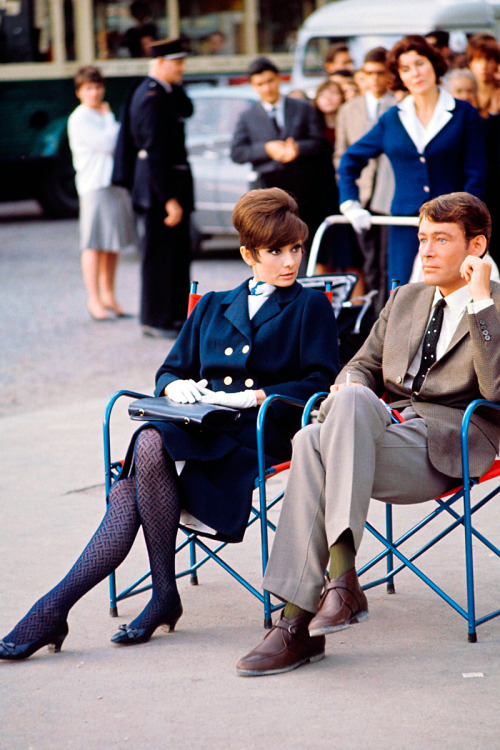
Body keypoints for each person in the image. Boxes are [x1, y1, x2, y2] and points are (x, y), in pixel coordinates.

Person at [0, 188, 340, 661]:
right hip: (200, 423)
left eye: (295, 249)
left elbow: (322, 381)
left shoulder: (310, 305)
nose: (289, 261)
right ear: (247, 254)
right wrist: (175, 388)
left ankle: (67, 607)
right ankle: (145, 596)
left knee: (131, 484)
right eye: (274, 251)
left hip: (257, 433)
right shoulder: (213, 304)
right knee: (150, 439)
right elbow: (169, 370)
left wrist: (256, 394)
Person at [237, 191, 500, 676]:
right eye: (423, 238)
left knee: (311, 442)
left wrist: (482, 300)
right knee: (338, 413)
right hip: (379, 432)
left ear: (476, 246)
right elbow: (359, 366)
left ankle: (299, 618)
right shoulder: (404, 299)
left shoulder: (495, 308)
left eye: (442, 239)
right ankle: (335, 588)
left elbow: (497, 388)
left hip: (446, 445)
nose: (426, 251)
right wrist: (358, 393)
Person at [338, 35, 487, 291]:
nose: (415, 73)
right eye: (405, 69)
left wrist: (466, 221)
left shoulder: (464, 114)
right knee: (401, 293)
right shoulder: (393, 118)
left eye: (420, 64)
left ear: (434, 65)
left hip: (454, 227)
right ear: (399, 76)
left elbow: (477, 174)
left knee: (456, 291)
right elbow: (350, 159)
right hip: (405, 228)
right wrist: (351, 204)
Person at [112, 38, 194, 338]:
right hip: (162, 189)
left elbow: (188, 108)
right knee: (160, 256)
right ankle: (157, 317)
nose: (182, 68)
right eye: (177, 62)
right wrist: (169, 199)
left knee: (176, 255)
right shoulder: (150, 96)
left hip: (169, 185)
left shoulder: (163, 91)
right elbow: (154, 150)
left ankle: (174, 315)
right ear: (159, 63)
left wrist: (175, 83)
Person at [230, 57, 325, 263]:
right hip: (268, 190)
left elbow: (319, 143)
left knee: (303, 247)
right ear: (253, 86)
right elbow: (237, 152)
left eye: (270, 81)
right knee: (272, 246)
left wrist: (298, 149)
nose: (267, 88)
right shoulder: (248, 116)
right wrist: (266, 149)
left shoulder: (301, 107)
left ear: (279, 79)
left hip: (303, 191)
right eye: (260, 84)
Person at [67, 66, 136, 321]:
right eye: (88, 88)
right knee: (94, 244)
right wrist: (109, 119)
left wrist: (108, 120)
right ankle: (93, 298)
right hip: (94, 185)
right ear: (79, 92)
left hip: (113, 184)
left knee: (111, 244)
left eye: (97, 87)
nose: (94, 93)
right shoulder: (81, 117)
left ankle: (108, 295)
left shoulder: (101, 115)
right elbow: (110, 144)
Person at [334, 47, 396, 313]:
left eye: (379, 73)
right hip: (358, 193)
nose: (374, 79)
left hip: (391, 195)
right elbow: (341, 152)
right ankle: (370, 315)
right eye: (368, 73)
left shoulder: (400, 105)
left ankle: (386, 311)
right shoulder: (349, 109)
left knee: (386, 259)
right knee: (366, 258)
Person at [466, 35, 500, 118]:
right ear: (470, 63)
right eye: (478, 60)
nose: (484, 66)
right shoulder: (465, 92)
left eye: (488, 60)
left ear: (496, 62)